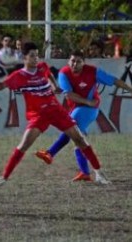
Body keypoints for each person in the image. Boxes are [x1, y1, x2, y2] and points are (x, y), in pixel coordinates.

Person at [0, 42, 111, 186]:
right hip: (38, 115)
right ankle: (4, 177)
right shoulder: (18, 76)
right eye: (32, 56)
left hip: (56, 111)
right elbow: (1, 86)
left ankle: (98, 173)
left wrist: (54, 86)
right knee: (24, 145)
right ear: (24, 58)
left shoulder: (42, 67)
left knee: (79, 139)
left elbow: (50, 75)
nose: (36, 59)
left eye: (37, 55)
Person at [35, 49, 132, 181]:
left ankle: (50, 153)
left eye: (78, 62)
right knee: (78, 140)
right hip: (81, 107)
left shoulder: (93, 71)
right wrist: (88, 101)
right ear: (69, 61)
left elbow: (114, 80)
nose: (75, 64)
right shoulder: (64, 73)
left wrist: (130, 89)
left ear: (83, 63)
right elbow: (68, 94)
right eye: (72, 61)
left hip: (89, 110)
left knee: (71, 131)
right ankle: (85, 172)